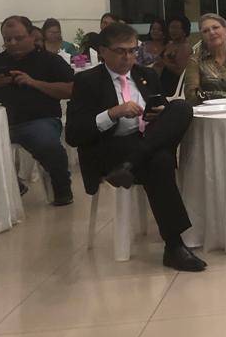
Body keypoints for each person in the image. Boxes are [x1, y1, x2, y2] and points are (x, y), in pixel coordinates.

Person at [65, 23, 205, 271]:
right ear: (102, 51)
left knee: (181, 108)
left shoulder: (146, 74)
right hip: (109, 148)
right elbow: (74, 134)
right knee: (161, 160)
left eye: (132, 51)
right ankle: (174, 246)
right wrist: (112, 113)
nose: (127, 57)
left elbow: (161, 112)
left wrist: (158, 114)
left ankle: (131, 164)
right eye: (120, 51)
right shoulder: (87, 81)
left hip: (142, 143)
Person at [0, 16, 74, 205]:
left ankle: (61, 187)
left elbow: (71, 89)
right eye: (8, 39)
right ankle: (13, 184)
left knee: (46, 142)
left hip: (39, 119)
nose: (13, 43)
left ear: (31, 37)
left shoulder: (50, 61)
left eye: (18, 38)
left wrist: (33, 83)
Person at [160, 14, 193, 95]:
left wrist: (164, 62)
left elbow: (180, 71)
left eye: (176, 28)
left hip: (173, 86)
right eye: (171, 27)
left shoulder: (185, 47)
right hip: (161, 81)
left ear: (184, 31)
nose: (172, 31)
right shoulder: (170, 44)